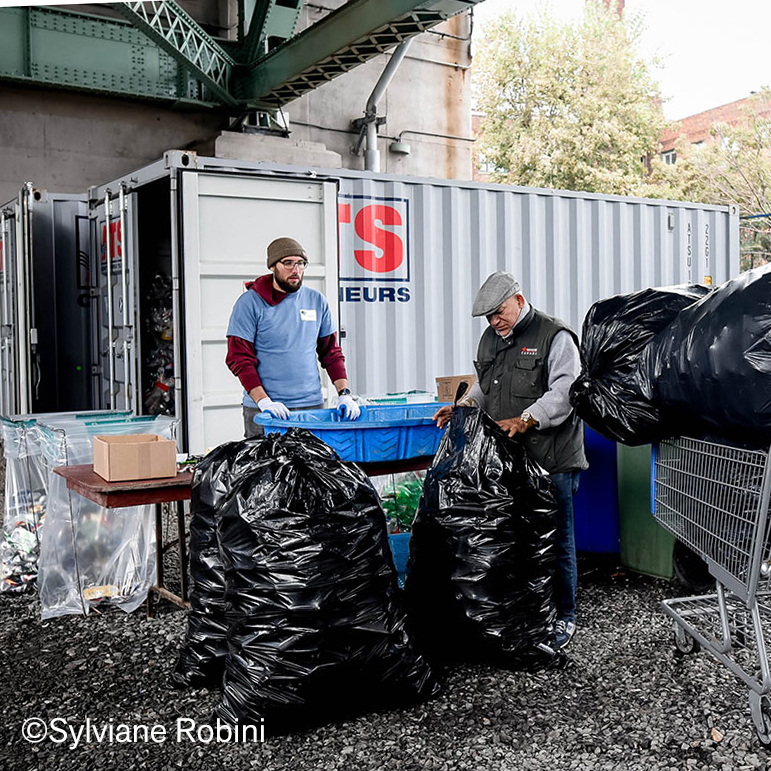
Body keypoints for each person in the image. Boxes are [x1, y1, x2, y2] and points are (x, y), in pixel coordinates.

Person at [434, 271, 587, 650]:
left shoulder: (555, 335)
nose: (494, 322)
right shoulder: (491, 338)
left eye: (499, 312)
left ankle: (564, 616)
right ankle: (531, 610)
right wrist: (462, 407)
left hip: (552, 460)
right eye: (487, 317)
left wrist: (527, 418)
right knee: (520, 538)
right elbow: (486, 386)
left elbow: (568, 390)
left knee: (558, 540)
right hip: (512, 462)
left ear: (519, 300)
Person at [226, 236, 360, 438]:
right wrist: (264, 402)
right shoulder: (250, 303)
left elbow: (331, 353)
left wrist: (344, 394)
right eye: (288, 263)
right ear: (273, 266)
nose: (295, 270)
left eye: (300, 263)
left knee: (312, 468)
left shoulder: (316, 301)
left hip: (311, 408)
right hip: (266, 411)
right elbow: (239, 357)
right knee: (268, 469)